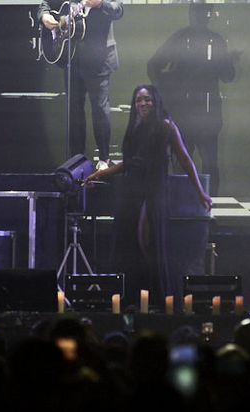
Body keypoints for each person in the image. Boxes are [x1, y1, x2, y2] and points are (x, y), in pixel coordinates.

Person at [83, 84, 211, 298]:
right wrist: (98, 174)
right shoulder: (135, 127)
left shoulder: (166, 126)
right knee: (130, 242)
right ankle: (135, 294)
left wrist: (200, 193)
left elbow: (185, 160)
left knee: (146, 238)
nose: (143, 103)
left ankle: (156, 292)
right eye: (139, 100)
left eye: (147, 99)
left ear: (155, 101)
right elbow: (128, 164)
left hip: (154, 190)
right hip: (132, 190)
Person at [39, 0, 124, 170]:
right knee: (74, 112)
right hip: (72, 57)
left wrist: (100, 3)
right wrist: (46, 16)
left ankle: (104, 159)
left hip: (98, 58)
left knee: (99, 109)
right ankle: (77, 160)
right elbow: (46, 2)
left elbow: (118, 10)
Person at [147, 0, 239, 195]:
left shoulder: (211, 40)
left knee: (206, 164)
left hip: (204, 113)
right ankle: (188, 205)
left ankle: (207, 206)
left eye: (203, 11)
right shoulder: (186, 39)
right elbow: (154, 66)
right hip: (187, 113)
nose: (200, 15)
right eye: (197, 11)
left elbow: (227, 75)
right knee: (186, 162)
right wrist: (166, 94)